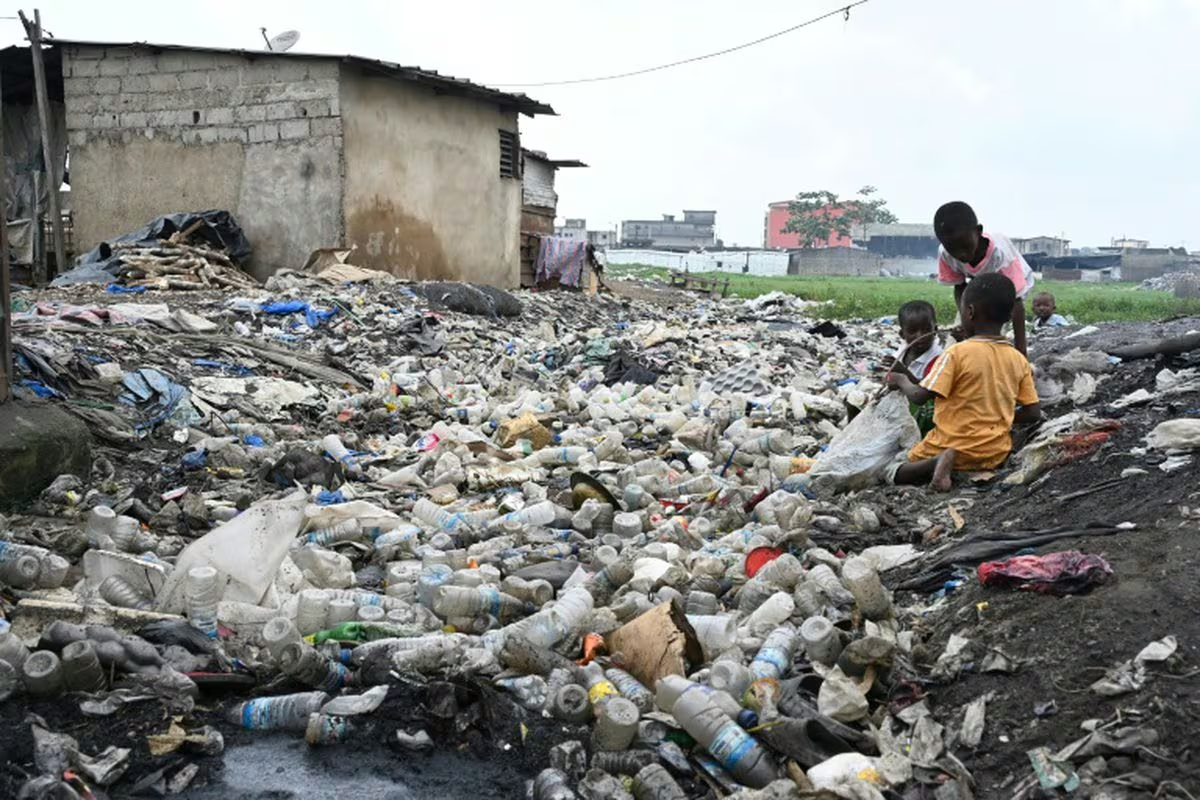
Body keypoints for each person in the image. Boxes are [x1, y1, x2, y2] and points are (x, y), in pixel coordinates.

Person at [886, 273, 1042, 492]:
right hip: (993, 455)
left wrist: (901, 379)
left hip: (950, 447)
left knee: (890, 470)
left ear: (969, 312)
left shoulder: (955, 353)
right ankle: (950, 466)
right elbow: (1033, 412)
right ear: (1008, 317)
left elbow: (919, 396)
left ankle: (936, 462)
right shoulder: (1018, 359)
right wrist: (996, 416)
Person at [933, 201, 1035, 356]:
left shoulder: (1001, 255)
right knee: (973, 327)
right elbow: (960, 287)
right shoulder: (946, 254)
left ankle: (1002, 354)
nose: (961, 255)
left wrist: (1022, 352)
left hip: (1014, 282)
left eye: (965, 246)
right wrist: (965, 321)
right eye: (953, 249)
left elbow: (1016, 303)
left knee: (993, 324)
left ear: (979, 231)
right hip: (978, 283)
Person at [882, 300, 942, 436]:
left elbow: (924, 393)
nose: (919, 336)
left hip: (924, 408)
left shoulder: (938, 358)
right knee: (855, 402)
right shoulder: (903, 350)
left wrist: (903, 372)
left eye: (926, 330)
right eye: (913, 331)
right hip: (903, 400)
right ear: (902, 334)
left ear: (935, 330)